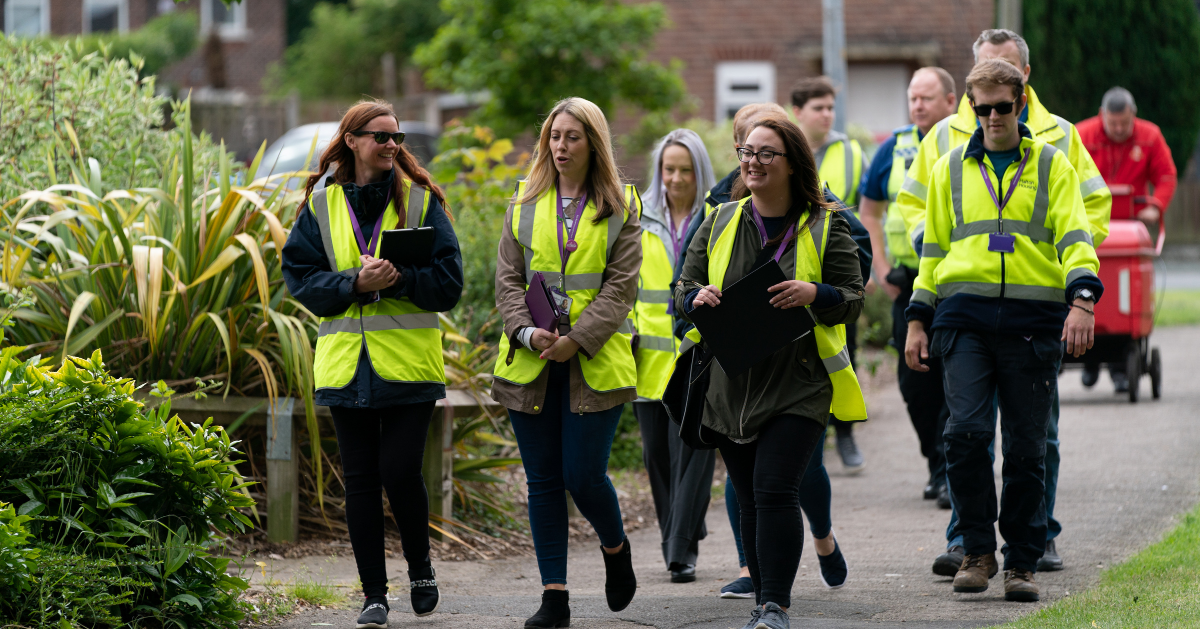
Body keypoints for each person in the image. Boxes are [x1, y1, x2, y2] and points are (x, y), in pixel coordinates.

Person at [892, 28, 1112, 576]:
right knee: (964, 435)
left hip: (1033, 319)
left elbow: (1081, 228)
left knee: (1029, 445)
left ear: (1022, 93)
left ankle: (1027, 553)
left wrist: (1080, 293)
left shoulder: (1058, 149)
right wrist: (919, 315)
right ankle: (972, 547)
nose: (992, 116)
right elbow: (930, 241)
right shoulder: (945, 153)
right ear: (970, 100)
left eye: (1002, 106)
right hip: (963, 315)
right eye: (982, 107)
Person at [675, 116, 866, 629]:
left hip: (798, 383)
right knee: (750, 499)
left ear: (792, 163)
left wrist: (814, 293)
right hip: (731, 383)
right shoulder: (720, 220)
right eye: (746, 152)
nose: (752, 162)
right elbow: (683, 287)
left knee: (775, 488)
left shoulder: (827, 224)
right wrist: (696, 298)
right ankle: (763, 604)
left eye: (766, 153)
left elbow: (852, 299)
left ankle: (776, 606)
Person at [281, 99, 463, 629]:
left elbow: (450, 284)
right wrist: (354, 284)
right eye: (380, 136)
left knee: (400, 470)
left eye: (396, 137)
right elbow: (301, 281)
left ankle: (421, 570)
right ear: (352, 141)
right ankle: (374, 595)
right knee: (360, 481)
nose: (391, 145)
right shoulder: (321, 206)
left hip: (408, 367)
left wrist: (400, 280)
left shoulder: (422, 202)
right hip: (345, 368)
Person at [492, 97, 642, 629]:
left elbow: (621, 288)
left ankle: (615, 548)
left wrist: (576, 340)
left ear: (593, 144)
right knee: (542, 482)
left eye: (572, 137)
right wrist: (527, 332)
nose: (560, 146)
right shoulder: (523, 202)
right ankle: (553, 597)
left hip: (594, 361)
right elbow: (507, 281)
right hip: (531, 359)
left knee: (583, 475)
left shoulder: (622, 205)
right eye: (554, 136)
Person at [857, 67, 959, 506]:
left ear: (951, 101)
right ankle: (936, 463)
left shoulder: (967, 141)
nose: (917, 105)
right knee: (914, 383)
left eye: (926, 98)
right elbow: (870, 212)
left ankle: (952, 471)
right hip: (909, 283)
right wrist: (880, 269)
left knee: (959, 378)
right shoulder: (893, 149)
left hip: (957, 282)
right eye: (912, 98)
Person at [633, 129, 719, 584]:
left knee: (693, 453)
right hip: (646, 359)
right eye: (669, 169)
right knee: (658, 460)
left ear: (699, 171)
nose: (676, 178)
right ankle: (680, 533)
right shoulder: (637, 217)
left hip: (696, 356)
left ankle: (680, 549)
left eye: (686, 170)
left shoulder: (717, 217)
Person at [792, 76, 870, 474]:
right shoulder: (783, 149)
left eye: (830, 107)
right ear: (798, 112)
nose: (827, 114)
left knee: (844, 352)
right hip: (794, 266)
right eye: (818, 107)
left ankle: (846, 433)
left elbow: (865, 213)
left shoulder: (851, 152)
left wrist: (862, 271)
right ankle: (811, 435)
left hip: (835, 269)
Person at [1076, 87, 1178, 393]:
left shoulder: (1149, 136)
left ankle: (1120, 364)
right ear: (1102, 116)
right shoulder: (1082, 135)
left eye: (1124, 123)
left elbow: (1166, 175)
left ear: (1133, 115)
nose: (1119, 129)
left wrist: (1155, 206)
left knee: (1125, 294)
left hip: (1131, 224)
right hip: (1089, 225)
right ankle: (1089, 358)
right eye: (1113, 123)